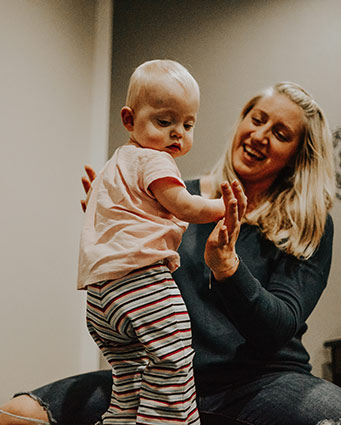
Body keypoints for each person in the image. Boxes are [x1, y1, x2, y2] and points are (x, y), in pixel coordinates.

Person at [0, 81, 341, 425]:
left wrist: (228, 268)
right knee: (18, 413)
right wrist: (115, 230)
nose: (260, 135)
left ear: (297, 155)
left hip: (262, 382)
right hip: (157, 375)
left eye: (281, 133)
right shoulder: (164, 193)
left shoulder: (309, 224)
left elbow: (277, 328)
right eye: (256, 119)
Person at [80, 59, 227, 425]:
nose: (178, 133)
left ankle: (121, 419)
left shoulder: (115, 164)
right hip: (141, 283)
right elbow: (185, 205)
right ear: (129, 120)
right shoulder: (155, 161)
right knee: (173, 360)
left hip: (100, 296)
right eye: (165, 122)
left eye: (188, 124)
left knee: (129, 375)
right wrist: (224, 206)